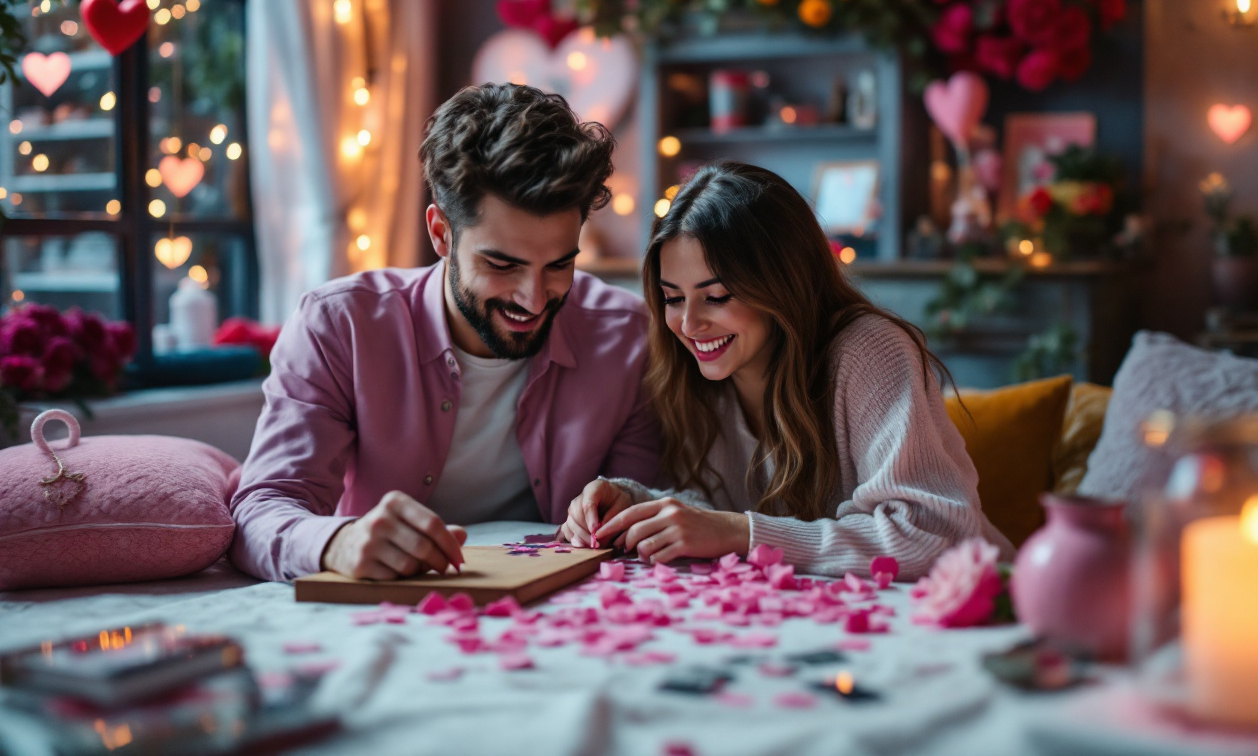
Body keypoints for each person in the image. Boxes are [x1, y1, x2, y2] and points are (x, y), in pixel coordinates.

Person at [230, 84, 662, 582]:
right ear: (440, 233)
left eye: (559, 265)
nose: (534, 297)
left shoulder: (627, 337)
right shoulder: (339, 325)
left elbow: (642, 500)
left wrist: (626, 502)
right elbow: (261, 509)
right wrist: (337, 541)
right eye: (502, 264)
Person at [558, 161, 1011, 578]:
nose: (689, 324)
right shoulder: (696, 375)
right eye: (673, 298)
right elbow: (717, 512)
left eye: (717, 297)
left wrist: (743, 534)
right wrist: (634, 503)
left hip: (981, 616)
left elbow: (934, 536)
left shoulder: (870, 351)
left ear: (781, 284)